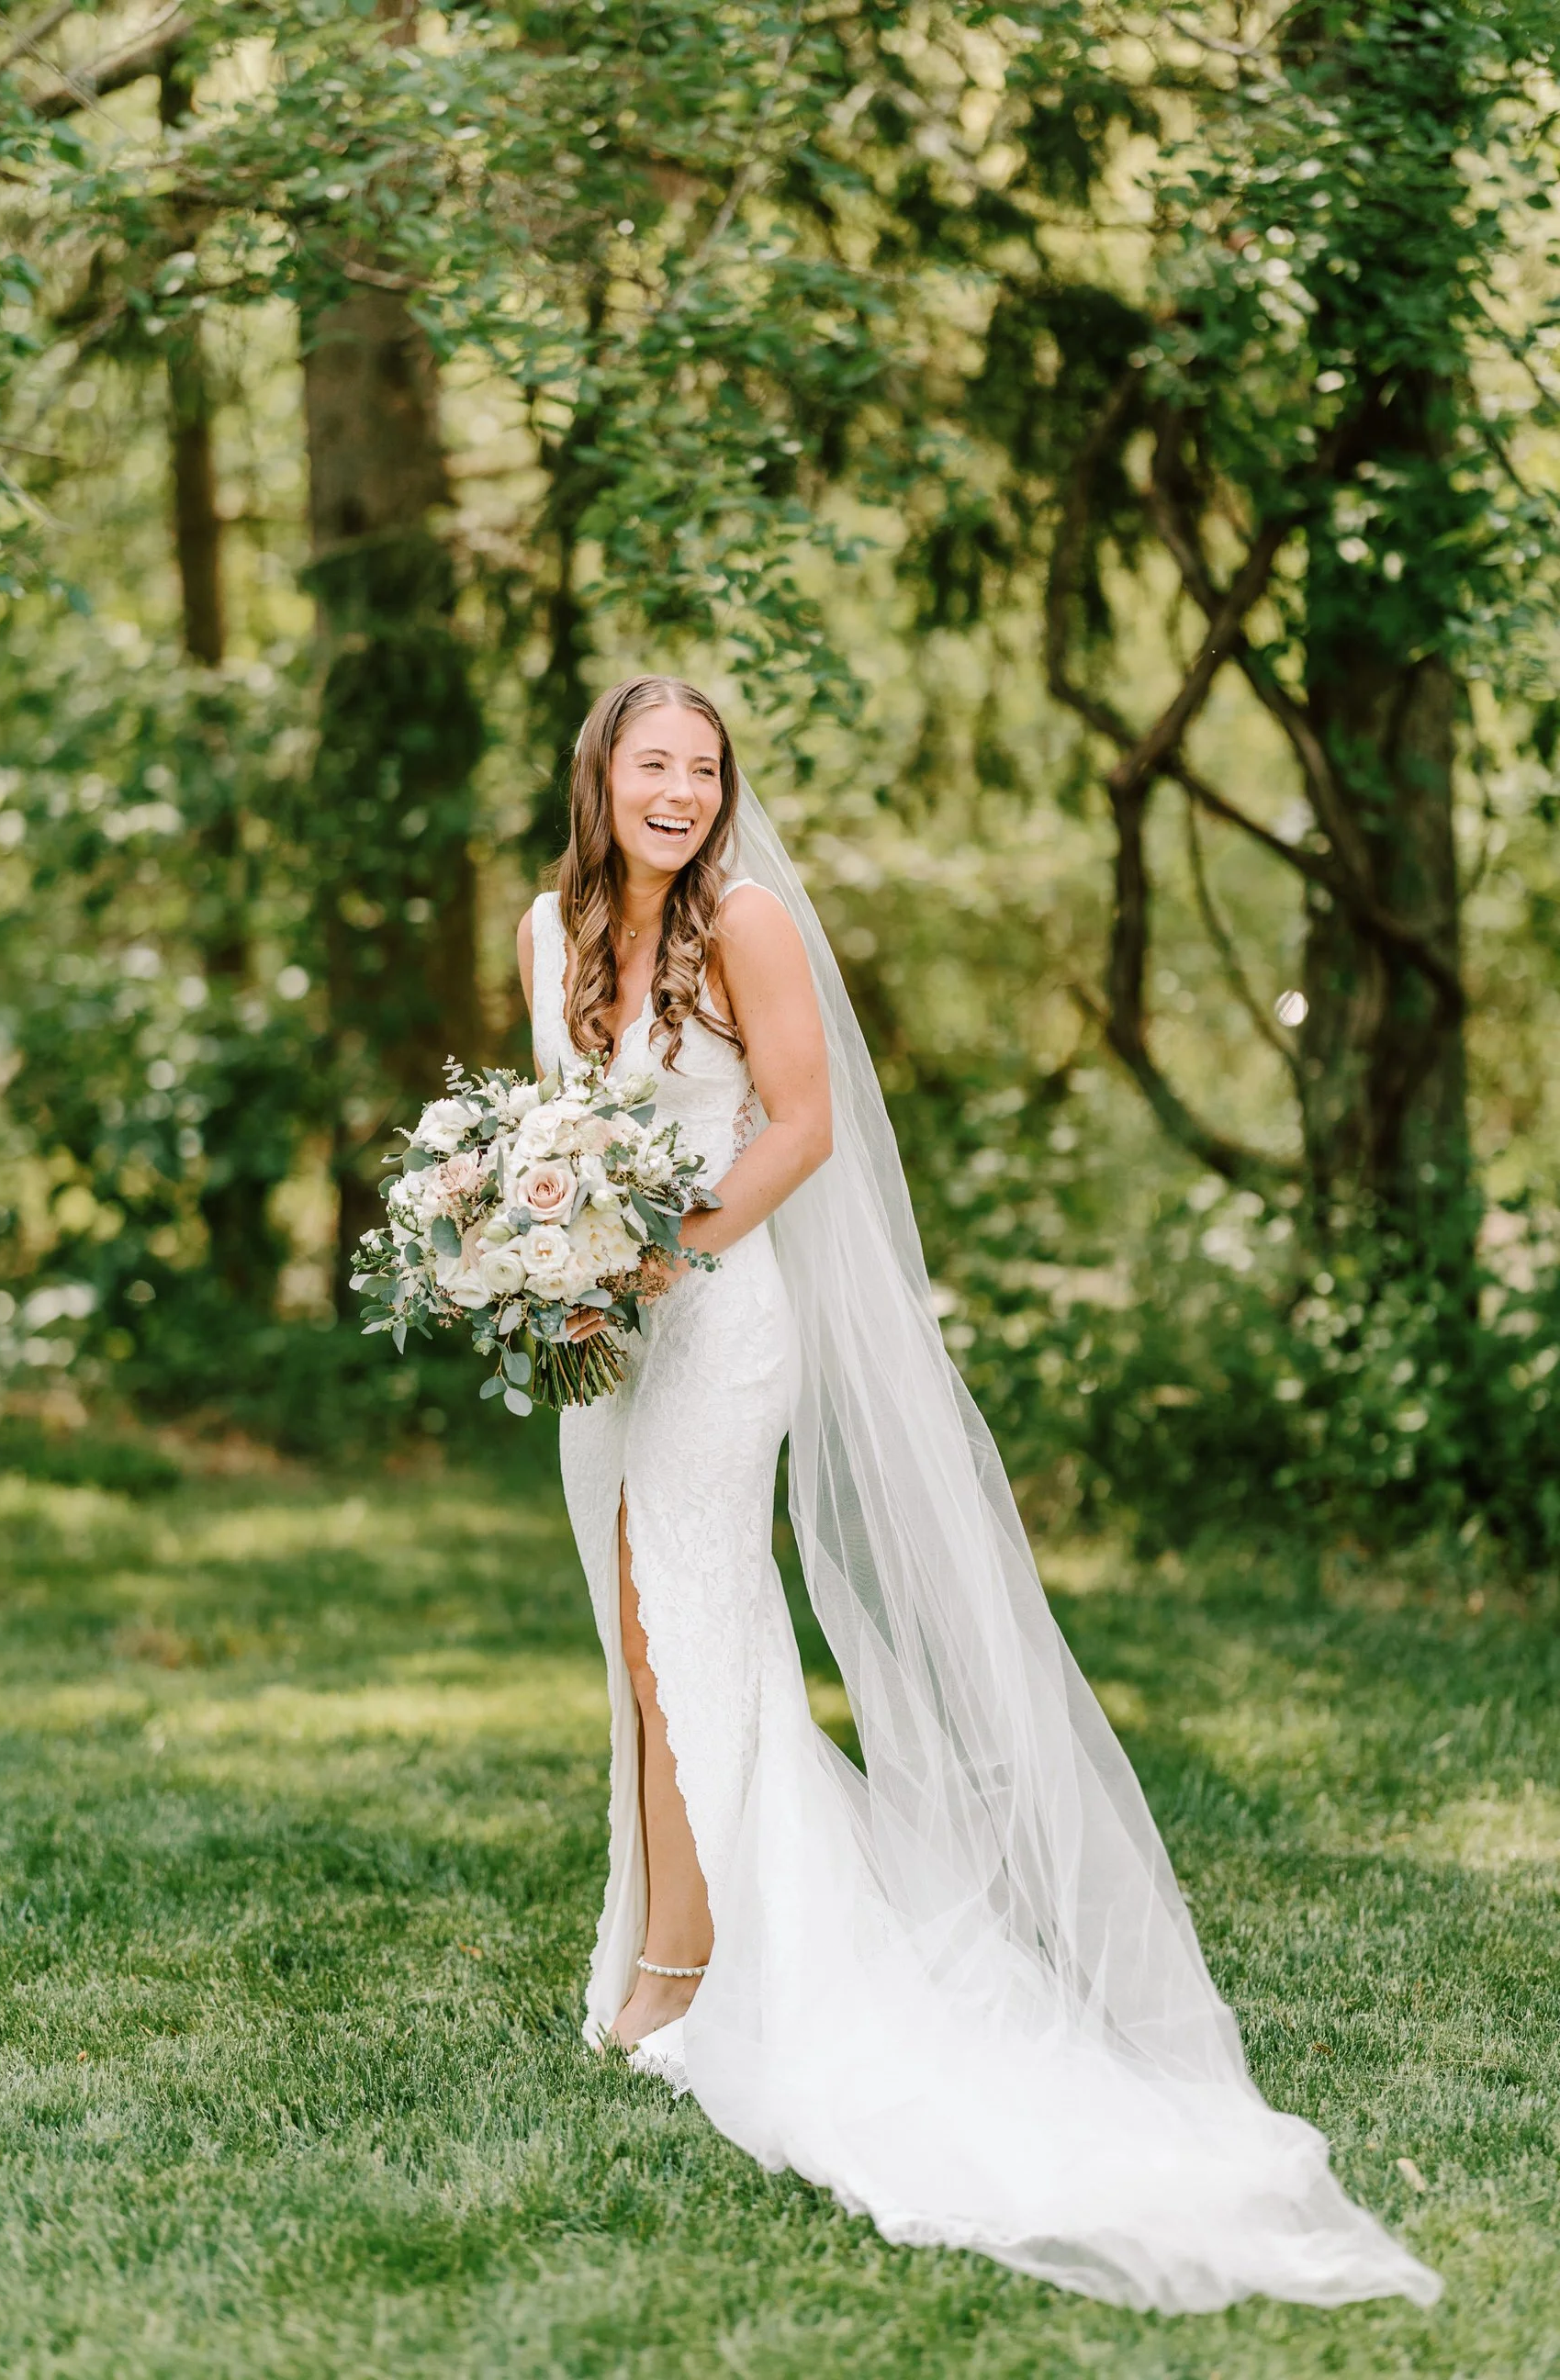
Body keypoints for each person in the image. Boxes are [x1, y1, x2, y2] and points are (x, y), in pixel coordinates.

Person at [516, 674, 1441, 2315]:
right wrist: (541, 1251)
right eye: (652, 763)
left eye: (705, 767)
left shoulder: (749, 931)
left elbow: (794, 1130)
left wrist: (660, 1256)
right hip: (606, 1342)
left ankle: (685, 1981)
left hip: (718, 1330)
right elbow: (561, 1137)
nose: (679, 789)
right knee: (637, 1653)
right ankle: (668, 1950)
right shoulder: (551, 932)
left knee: (687, 1642)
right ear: (600, 774)